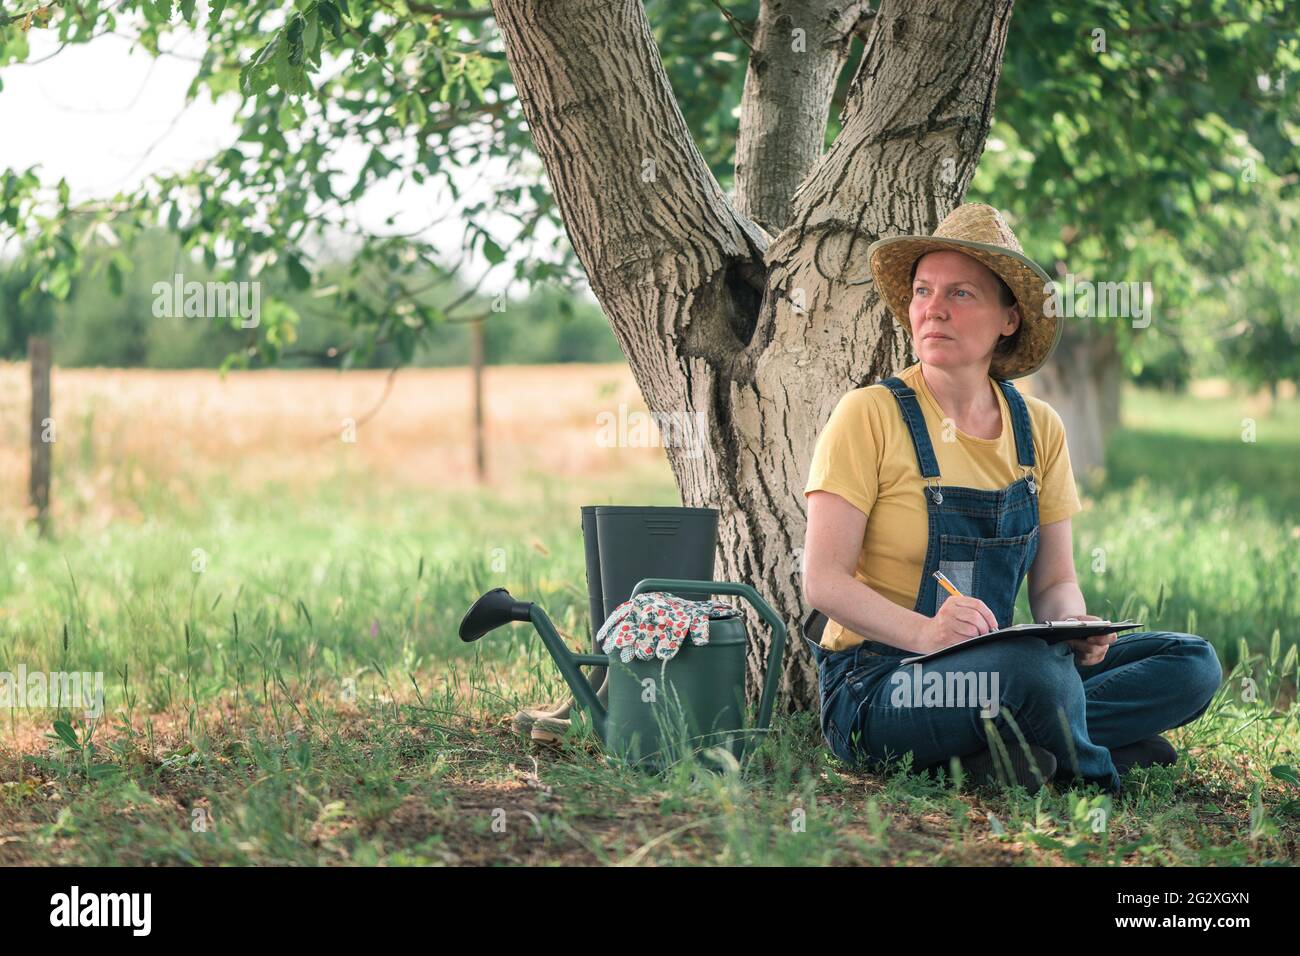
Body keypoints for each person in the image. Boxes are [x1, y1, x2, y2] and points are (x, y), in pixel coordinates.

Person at [801, 203, 1222, 794]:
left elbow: (1053, 584)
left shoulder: (1038, 429)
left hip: (998, 671)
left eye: (962, 294)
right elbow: (824, 582)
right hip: (881, 682)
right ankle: (1092, 769)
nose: (934, 309)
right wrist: (925, 635)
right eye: (923, 291)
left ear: (1009, 318)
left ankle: (1007, 752)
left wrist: (1074, 625)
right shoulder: (867, 414)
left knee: (1191, 663)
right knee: (1032, 676)